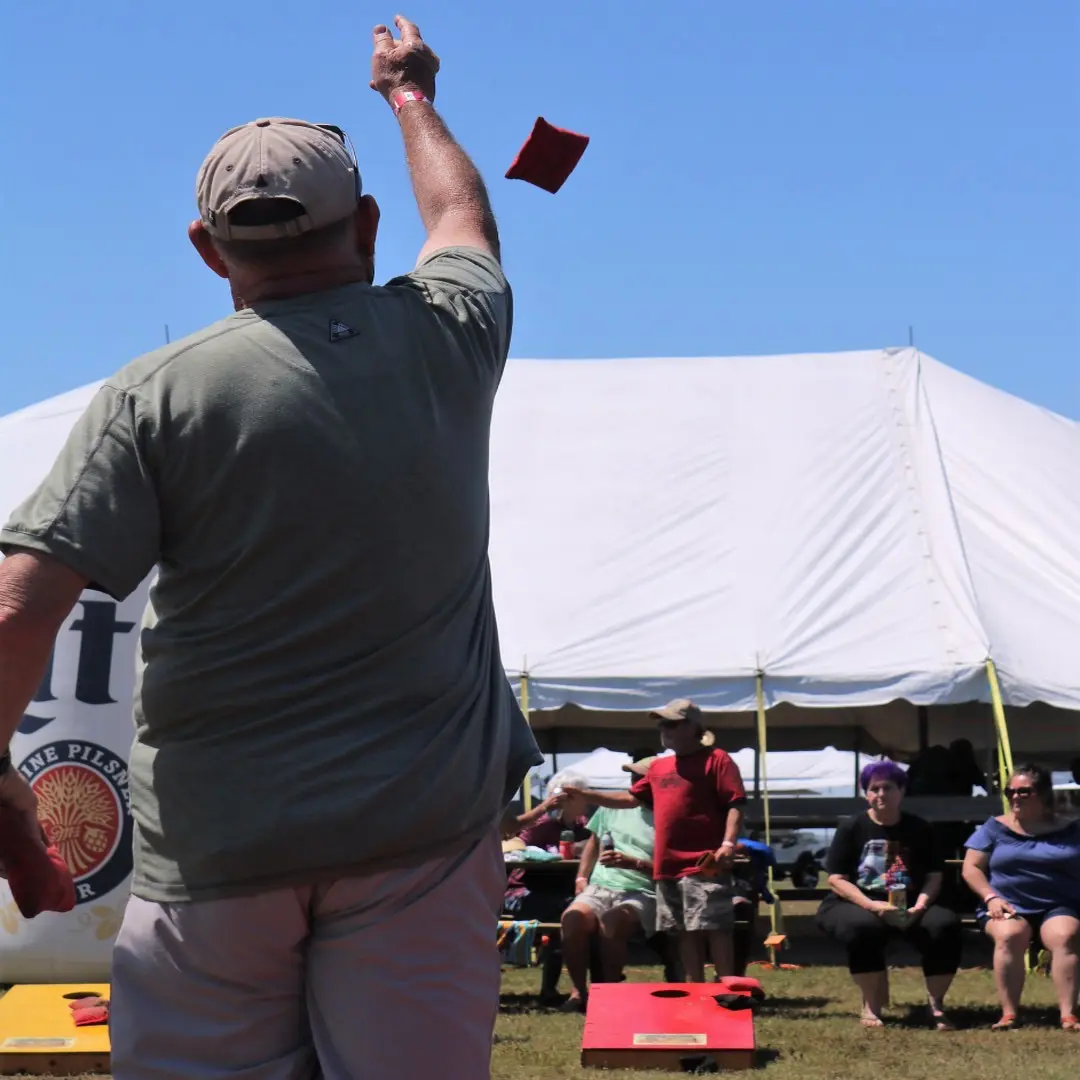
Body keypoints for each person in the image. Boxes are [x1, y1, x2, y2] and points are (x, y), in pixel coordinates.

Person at [0, 16, 541, 1080]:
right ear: (369, 227)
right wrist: (409, 96)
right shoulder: (449, 338)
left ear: (209, 252)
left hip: (216, 851)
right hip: (418, 839)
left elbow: (23, 598)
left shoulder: (153, 396)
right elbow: (465, 214)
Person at [563, 699, 746, 982]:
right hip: (668, 865)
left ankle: (726, 989)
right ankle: (695, 990)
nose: (665, 729)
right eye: (662, 724)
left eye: (672, 723)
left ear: (695, 727)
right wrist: (587, 795)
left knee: (715, 927)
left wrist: (728, 844)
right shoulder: (660, 767)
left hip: (706, 861)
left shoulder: (718, 760)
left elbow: (735, 803)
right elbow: (629, 799)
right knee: (683, 931)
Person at [817, 761, 961, 1030]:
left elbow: (934, 875)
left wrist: (920, 905)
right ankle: (871, 1006)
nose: (881, 794)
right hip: (858, 900)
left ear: (902, 791)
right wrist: (871, 905)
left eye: (888, 788)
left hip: (913, 900)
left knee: (943, 925)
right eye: (874, 789)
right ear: (865, 794)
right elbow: (836, 879)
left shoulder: (921, 828)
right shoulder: (851, 827)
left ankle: (936, 1007)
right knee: (862, 927)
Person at [962, 764, 1080, 1031]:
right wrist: (990, 897)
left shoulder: (1072, 829)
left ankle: (1069, 1014)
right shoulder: (993, 828)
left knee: (1066, 936)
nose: (1015, 797)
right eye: (1010, 791)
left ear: (1044, 794)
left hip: (1059, 904)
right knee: (1009, 936)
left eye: (1024, 791)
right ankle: (1009, 1013)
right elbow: (971, 868)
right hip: (1006, 903)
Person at [559, 757, 658, 1011]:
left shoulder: (668, 815)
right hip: (600, 887)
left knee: (612, 922)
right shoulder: (612, 805)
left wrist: (632, 863)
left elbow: (671, 868)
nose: (635, 783)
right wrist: (582, 877)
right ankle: (579, 992)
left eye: (641, 779)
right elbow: (593, 841)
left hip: (644, 890)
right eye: (633, 778)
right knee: (571, 919)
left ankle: (609, 991)